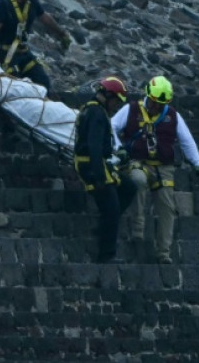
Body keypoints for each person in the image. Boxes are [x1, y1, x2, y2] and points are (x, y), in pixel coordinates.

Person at [112, 75, 199, 264]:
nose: (156, 107)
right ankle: (137, 230)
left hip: (163, 167)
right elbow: (111, 126)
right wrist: (118, 148)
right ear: (148, 95)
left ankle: (163, 251)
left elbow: (186, 140)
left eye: (161, 104)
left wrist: (198, 164)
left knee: (167, 206)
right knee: (138, 181)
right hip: (137, 162)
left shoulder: (172, 115)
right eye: (155, 102)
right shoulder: (131, 109)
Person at [73, 77, 136, 263]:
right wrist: (99, 177)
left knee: (129, 188)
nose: (116, 106)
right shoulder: (97, 114)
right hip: (93, 166)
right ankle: (106, 255)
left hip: (97, 164)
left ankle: (105, 226)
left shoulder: (92, 110)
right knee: (112, 208)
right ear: (108, 96)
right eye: (116, 101)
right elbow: (93, 146)